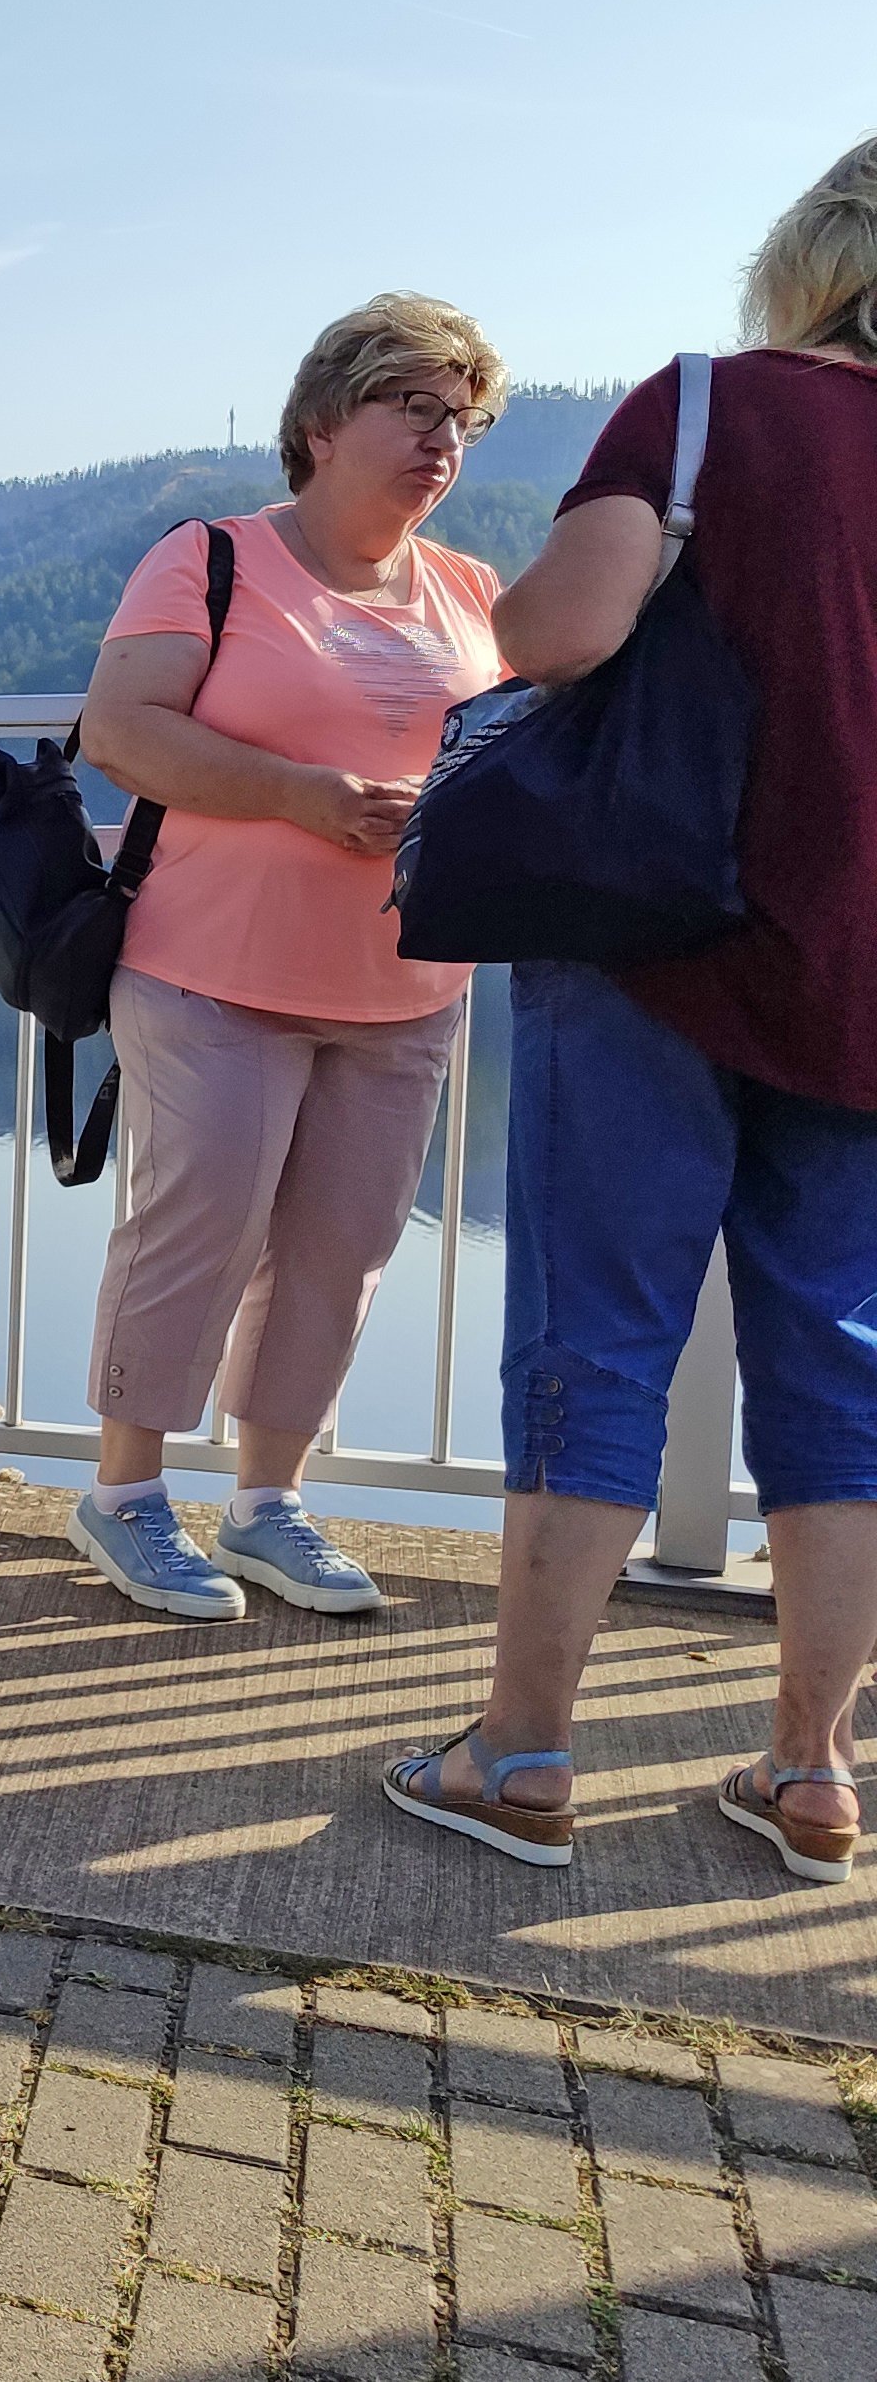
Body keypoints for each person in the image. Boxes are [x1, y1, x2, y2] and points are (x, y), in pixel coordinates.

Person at [388, 138, 877, 1884]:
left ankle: (520, 1754)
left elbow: (559, 633)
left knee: (595, 1341)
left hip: (659, 944)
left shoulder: (705, 411)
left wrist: (531, 592)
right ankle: (813, 1773)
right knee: (842, 1366)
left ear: (810, 256)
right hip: (863, 980)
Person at [64, 300, 511, 1623]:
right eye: (416, 407)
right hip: (215, 967)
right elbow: (123, 730)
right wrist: (303, 796)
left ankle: (269, 1507)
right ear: (325, 423)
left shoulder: (474, 592)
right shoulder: (211, 559)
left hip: (405, 985)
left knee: (343, 1248)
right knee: (195, 1230)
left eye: (464, 417)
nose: (444, 438)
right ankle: (127, 1496)